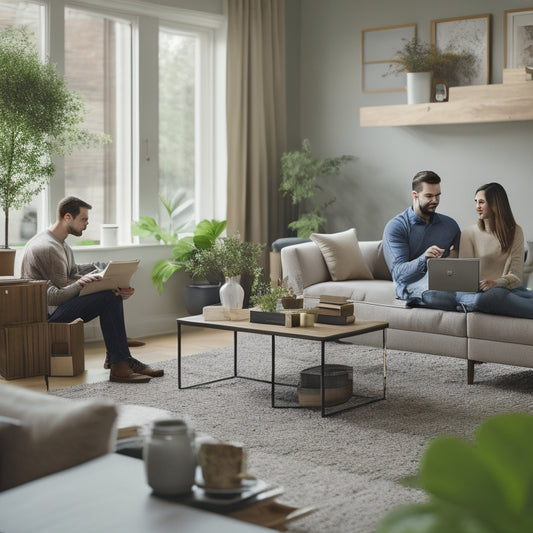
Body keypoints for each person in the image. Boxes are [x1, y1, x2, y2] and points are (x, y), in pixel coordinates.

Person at [21, 196, 164, 383]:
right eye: (84, 219)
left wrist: (112, 281)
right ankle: (119, 365)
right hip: (47, 316)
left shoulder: (60, 243)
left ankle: (119, 360)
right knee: (108, 298)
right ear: (67, 217)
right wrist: (86, 283)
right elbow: (57, 297)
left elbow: (73, 272)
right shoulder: (47, 248)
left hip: (57, 307)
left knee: (111, 294)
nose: (87, 224)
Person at [421, 182, 533, 318]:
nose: (477, 207)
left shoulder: (515, 232)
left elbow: (515, 276)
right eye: (476, 202)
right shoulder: (469, 233)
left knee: (499, 295)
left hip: (503, 290)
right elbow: (464, 276)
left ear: (494, 204)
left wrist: (496, 283)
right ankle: (466, 302)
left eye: (481, 202)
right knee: (431, 295)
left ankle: (461, 305)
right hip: (473, 293)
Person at [383, 170, 461, 301]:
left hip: (444, 283)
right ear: (415, 195)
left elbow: (460, 260)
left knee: (480, 294)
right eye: (429, 196)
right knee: (438, 295)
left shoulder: (450, 225)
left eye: (438, 195)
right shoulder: (396, 226)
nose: (435, 201)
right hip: (411, 285)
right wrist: (424, 258)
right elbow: (399, 274)